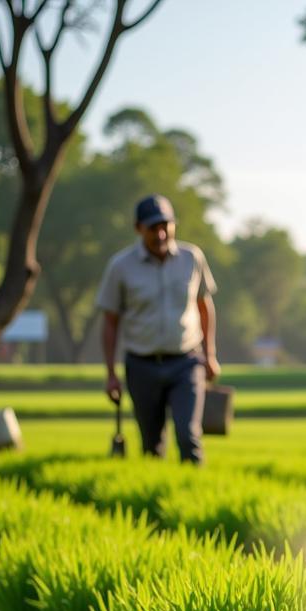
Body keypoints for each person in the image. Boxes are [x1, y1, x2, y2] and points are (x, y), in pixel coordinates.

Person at [96, 194, 220, 464]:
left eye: (166, 225)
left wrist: (210, 355)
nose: (161, 233)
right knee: (152, 445)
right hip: (141, 365)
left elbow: (204, 306)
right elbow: (110, 321)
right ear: (138, 228)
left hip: (186, 362)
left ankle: (194, 495)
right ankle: (158, 492)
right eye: (153, 227)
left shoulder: (192, 257)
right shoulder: (121, 266)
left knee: (189, 436)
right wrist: (110, 373)